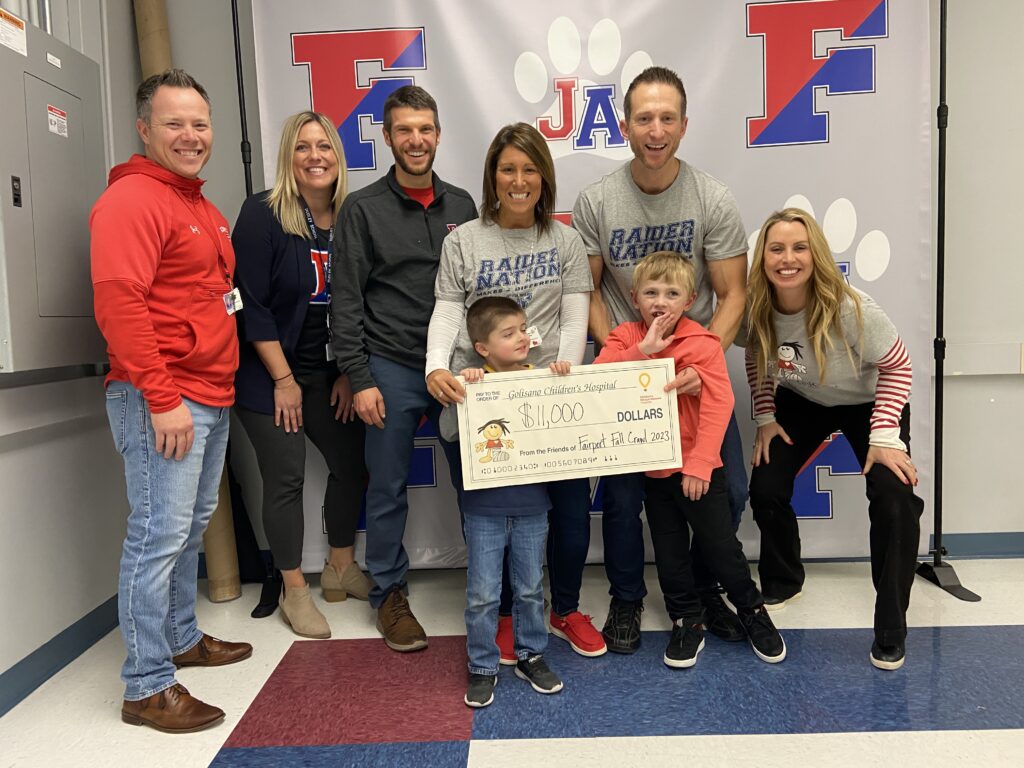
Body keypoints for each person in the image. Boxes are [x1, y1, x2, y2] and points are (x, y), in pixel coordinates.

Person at [90, 69, 251, 733]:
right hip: (166, 396)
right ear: (145, 130)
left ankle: (182, 637)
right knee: (157, 536)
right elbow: (119, 305)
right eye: (175, 123)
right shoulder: (133, 201)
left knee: (186, 530)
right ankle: (147, 685)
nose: (191, 135)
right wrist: (161, 399)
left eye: (200, 123)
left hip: (208, 395)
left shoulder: (200, 207)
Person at [573, 65, 750, 653]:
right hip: (631, 372)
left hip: (694, 376)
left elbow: (734, 295)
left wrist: (700, 365)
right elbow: (589, 291)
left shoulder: (711, 198)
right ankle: (626, 600)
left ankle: (699, 594)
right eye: (644, 118)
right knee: (624, 500)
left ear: (684, 125)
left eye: (667, 118)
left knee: (729, 488)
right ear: (625, 125)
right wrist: (626, 364)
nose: (655, 130)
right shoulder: (597, 200)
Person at [425, 123, 604, 662]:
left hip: (549, 403)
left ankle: (564, 608)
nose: (519, 181)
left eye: (529, 169)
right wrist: (436, 366)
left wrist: (564, 371)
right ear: (492, 177)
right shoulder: (464, 241)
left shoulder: (565, 240)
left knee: (570, 515)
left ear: (544, 177)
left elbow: (575, 321)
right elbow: (449, 313)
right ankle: (503, 614)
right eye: (508, 169)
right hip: (481, 401)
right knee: (491, 519)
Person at [331, 85, 477, 652]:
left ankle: (489, 589)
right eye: (404, 131)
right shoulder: (362, 209)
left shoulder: (463, 206)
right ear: (387, 137)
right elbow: (346, 302)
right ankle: (389, 594)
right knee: (388, 488)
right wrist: (361, 378)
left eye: (425, 130)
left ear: (438, 135)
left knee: (477, 481)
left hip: (458, 368)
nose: (416, 140)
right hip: (390, 366)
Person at [746, 208, 924, 670]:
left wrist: (885, 434)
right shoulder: (755, 306)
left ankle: (891, 627)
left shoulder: (851, 308)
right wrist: (765, 416)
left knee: (893, 497)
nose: (788, 258)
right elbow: (758, 359)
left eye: (799, 247)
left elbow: (899, 365)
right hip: (804, 397)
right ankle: (783, 581)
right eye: (777, 248)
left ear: (817, 254)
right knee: (766, 485)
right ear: (762, 257)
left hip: (868, 400)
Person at [594, 252, 785, 668]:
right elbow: (600, 380)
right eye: (650, 292)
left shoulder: (702, 342)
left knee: (720, 546)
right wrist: (642, 352)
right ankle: (687, 618)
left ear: (690, 299)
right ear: (633, 297)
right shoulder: (624, 337)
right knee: (669, 551)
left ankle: (751, 609)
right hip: (654, 470)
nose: (660, 301)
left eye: (671, 293)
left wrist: (699, 464)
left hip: (700, 470)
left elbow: (719, 404)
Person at [232, 111, 370, 639]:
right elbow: (250, 304)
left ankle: (339, 565)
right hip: (267, 372)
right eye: (303, 147)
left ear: (338, 157)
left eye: (325, 147)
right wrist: (283, 380)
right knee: (287, 474)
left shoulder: (350, 216)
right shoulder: (263, 214)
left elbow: (354, 303)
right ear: (288, 157)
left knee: (352, 462)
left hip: (323, 369)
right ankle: (294, 588)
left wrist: (344, 372)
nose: (316, 157)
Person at [459, 297, 568, 707]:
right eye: (509, 333)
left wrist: (561, 380)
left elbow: (566, 429)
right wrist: (462, 392)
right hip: (484, 510)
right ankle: (483, 665)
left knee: (529, 588)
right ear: (482, 348)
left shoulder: (540, 378)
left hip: (532, 507)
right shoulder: (470, 382)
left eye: (524, 328)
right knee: (483, 594)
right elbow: (449, 434)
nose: (522, 337)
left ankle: (531, 654)